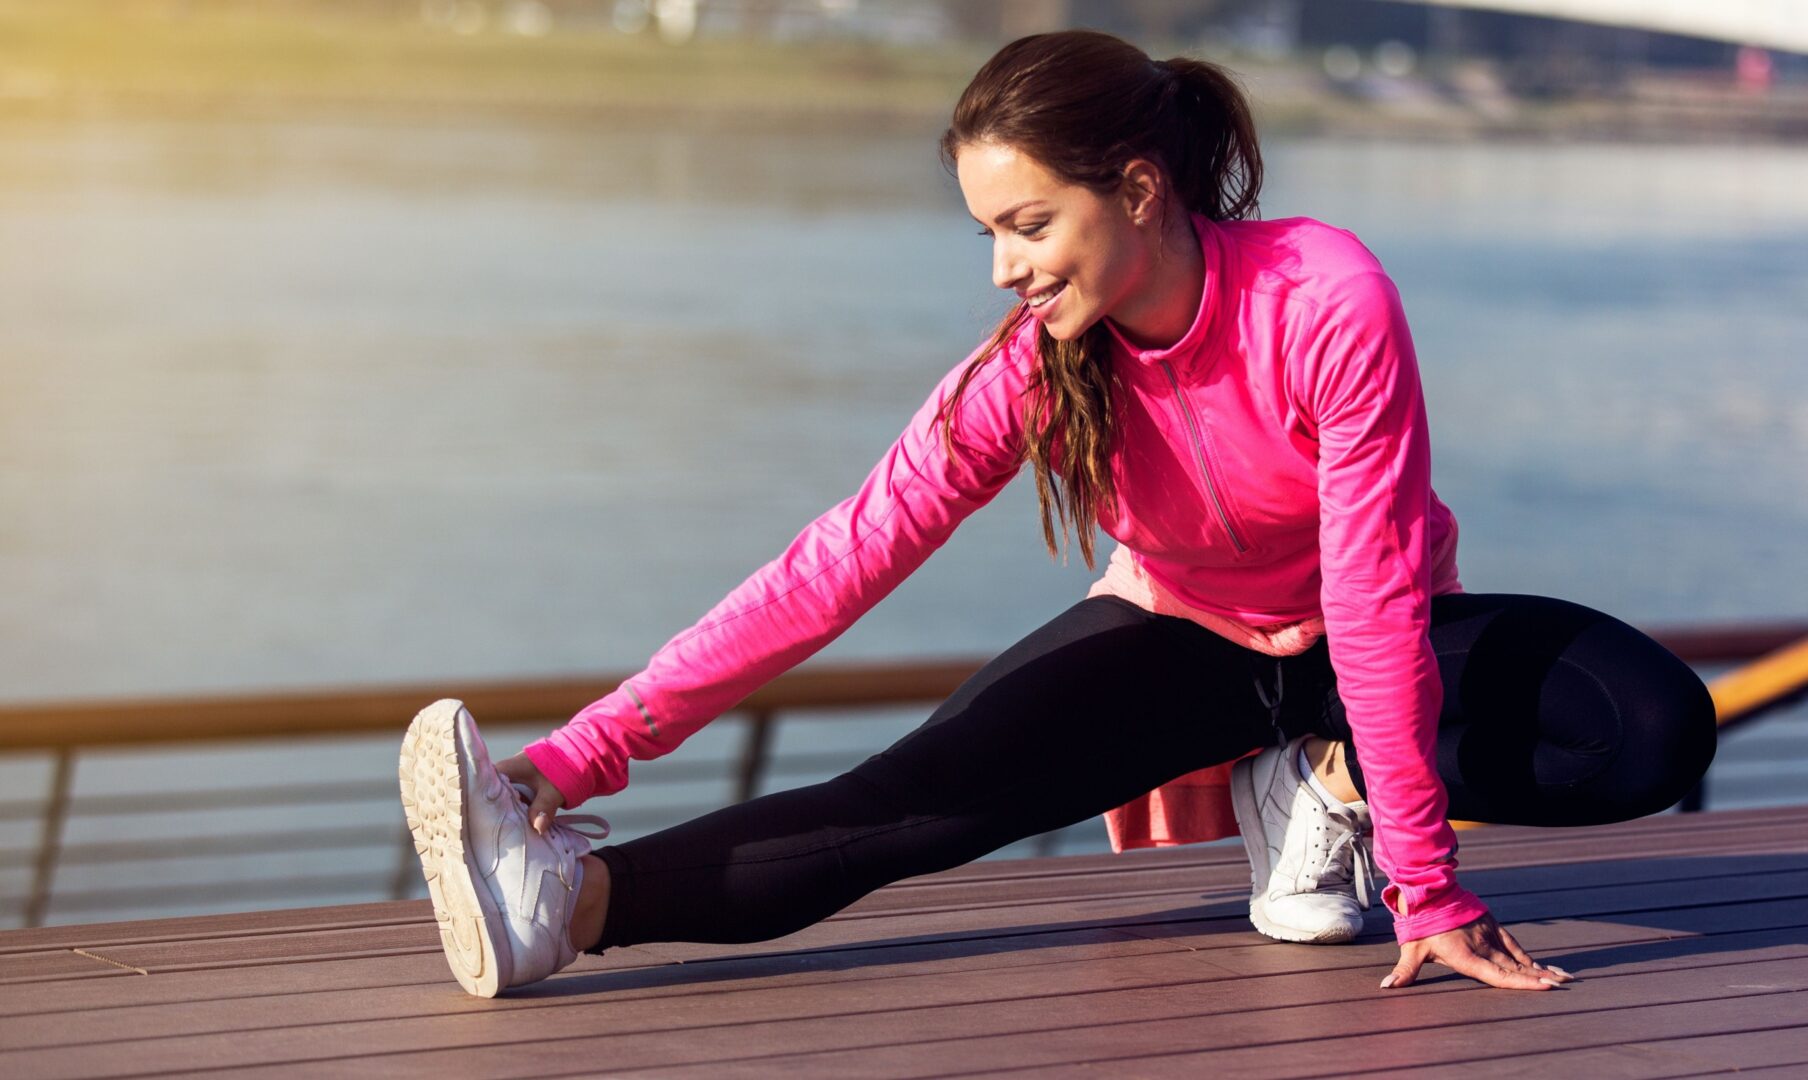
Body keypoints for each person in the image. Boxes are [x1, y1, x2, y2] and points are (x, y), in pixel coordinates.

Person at [397, 29, 1717, 1000]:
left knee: (1652, 729)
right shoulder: (1028, 368)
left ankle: (1333, 780)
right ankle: (561, 904)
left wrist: (1429, 886)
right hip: (1181, 631)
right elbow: (837, 567)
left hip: (1371, 626)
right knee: (910, 799)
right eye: (987, 232)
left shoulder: (1324, 298)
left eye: (1028, 224)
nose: (1005, 268)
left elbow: (1372, 595)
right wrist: (573, 761)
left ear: (1138, 190)